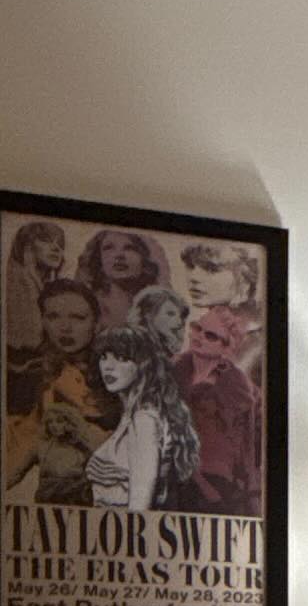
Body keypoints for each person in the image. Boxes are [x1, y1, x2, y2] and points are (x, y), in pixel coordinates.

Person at [3, 275, 114, 489]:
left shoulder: (113, 373)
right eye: (53, 316)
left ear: (96, 323)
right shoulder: (31, 375)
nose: (65, 327)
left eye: (78, 317)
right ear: (43, 321)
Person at [82, 325, 199, 512]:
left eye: (121, 358)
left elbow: (139, 508)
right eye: (104, 357)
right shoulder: (131, 416)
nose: (108, 366)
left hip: (124, 527)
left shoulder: (144, 420)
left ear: (143, 364)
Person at [183, 304, 263, 513]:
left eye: (210, 336)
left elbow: (248, 449)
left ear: (227, 347)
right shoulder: (174, 369)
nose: (199, 337)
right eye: (197, 328)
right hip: (175, 478)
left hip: (217, 487)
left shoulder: (238, 388)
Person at [77, 226, 169, 339]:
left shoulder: (159, 309)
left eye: (130, 248)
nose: (119, 255)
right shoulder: (87, 307)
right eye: (108, 248)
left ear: (144, 259)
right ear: (98, 259)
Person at [5, 217, 65, 366]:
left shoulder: (50, 286)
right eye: (46, 240)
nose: (56, 248)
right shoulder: (15, 280)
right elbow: (30, 340)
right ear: (28, 246)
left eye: (60, 244)